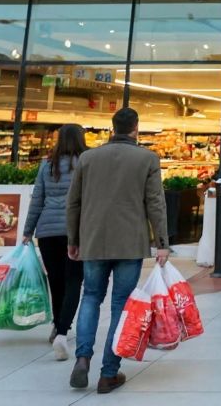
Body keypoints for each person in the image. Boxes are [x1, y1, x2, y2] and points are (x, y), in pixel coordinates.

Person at [66, 108, 170, 394]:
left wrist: (73, 239)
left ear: (112, 127)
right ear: (136, 128)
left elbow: (73, 202)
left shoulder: (88, 158)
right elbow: (155, 203)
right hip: (129, 242)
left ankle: (83, 358)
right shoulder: (147, 158)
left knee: (90, 297)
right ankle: (108, 372)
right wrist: (162, 242)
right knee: (121, 305)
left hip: (93, 239)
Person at [21, 123, 86, 361]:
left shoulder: (46, 165)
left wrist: (28, 230)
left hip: (47, 231)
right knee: (73, 281)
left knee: (56, 281)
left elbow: (37, 199)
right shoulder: (85, 163)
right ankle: (62, 330)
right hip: (75, 231)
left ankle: (57, 325)